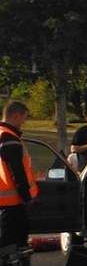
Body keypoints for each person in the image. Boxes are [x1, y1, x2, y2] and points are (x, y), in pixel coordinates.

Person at [0, 100, 38, 251]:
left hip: (4, 202)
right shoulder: (9, 138)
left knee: (6, 244)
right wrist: (27, 198)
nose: (24, 122)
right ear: (15, 116)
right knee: (14, 245)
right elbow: (17, 172)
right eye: (24, 118)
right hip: (12, 203)